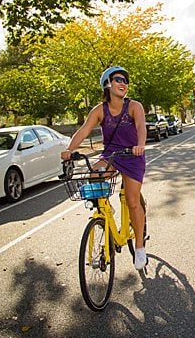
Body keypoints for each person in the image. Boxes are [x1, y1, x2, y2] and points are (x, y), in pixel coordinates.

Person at [61, 66, 148, 270]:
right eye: (118, 79)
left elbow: (141, 127)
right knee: (94, 174)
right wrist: (69, 150)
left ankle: (140, 246)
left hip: (132, 155)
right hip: (111, 155)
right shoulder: (100, 110)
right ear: (107, 84)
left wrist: (140, 145)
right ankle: (103, 214)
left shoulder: (134, 106)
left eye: (126, 80)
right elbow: (83, 131)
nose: (123, 83)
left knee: (134, 201)